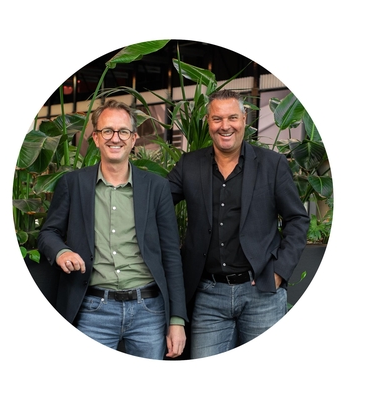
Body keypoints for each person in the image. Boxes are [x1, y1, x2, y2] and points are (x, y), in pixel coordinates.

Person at [38, 99, 187, 360]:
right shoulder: (73, 184)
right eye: (107, 131)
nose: (115, 138)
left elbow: (171, 256)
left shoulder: (157, 188)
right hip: (92, 309)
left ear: (133, 139)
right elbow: (48, 233)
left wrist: (177, 320)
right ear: (96, 138)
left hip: (149, 311)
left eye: (123, 132)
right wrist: (61, 252)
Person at [167, 89, 310, 359]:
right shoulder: (189, 165)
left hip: (262, 293)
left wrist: (280, 271)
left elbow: (297, 219)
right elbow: (156, 202)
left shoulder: (272, 164)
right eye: (217, 118)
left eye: (232, 117)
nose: (225, 126)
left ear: (244, 119)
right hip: (208, 295)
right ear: (208, 122)